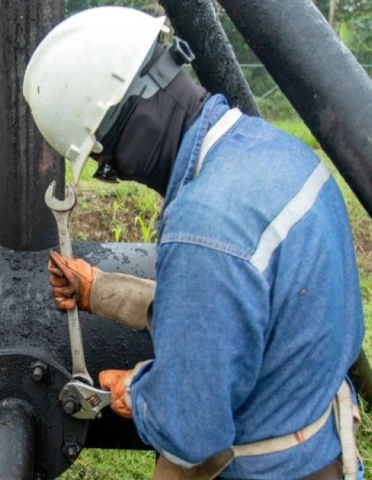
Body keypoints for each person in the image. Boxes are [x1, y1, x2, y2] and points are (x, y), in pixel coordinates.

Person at [23, 6, 364, 480]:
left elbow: (190, 432)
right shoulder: (278, 150)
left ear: (127, 134)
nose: (121, 175)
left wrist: (138, 391)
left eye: (108, 165)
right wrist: (102, 291)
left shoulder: (204, 224)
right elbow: (245, 308)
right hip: (320, 443)